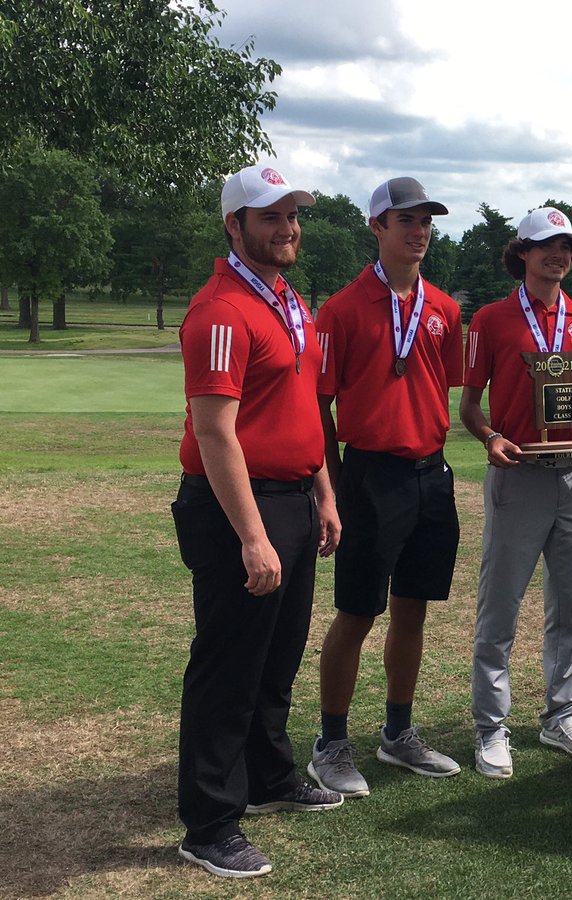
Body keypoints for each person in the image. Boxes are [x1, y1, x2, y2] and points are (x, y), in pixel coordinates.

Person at [172, 163, 344, 880]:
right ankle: (210, 823)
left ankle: (269, 776)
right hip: (239, 505)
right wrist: (252, 535)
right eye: (270, 216)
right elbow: (215, 433)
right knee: (229, 665)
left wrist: (323, 494)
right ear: (234, 225)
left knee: (277, 657)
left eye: (292, 215)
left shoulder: (288, 300)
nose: (287, 228)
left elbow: (304, 412)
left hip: (295, 495)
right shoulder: (220, 309)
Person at [459, 206, 572, 779]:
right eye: (547, 246)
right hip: (519, 475)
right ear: (523, 253)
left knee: (568, 606)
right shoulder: (491, 318)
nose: (558, 255)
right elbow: (469, 405)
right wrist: (490, 436)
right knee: (500, 606)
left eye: (567, 247)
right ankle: (491, 725)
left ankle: (560, 714)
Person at [306, 177, 464, 799]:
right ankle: (330, 743)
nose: (419, 231)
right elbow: (319, 407)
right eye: (406, 220)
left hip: (431, 473)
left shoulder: (444, 308)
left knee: (413, 608)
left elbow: (439, 387)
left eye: (426, 221)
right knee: (357, 612)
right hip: (370, 474)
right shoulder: (342, 309)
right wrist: (332, 488)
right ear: (377, 227)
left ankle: (398, 732)